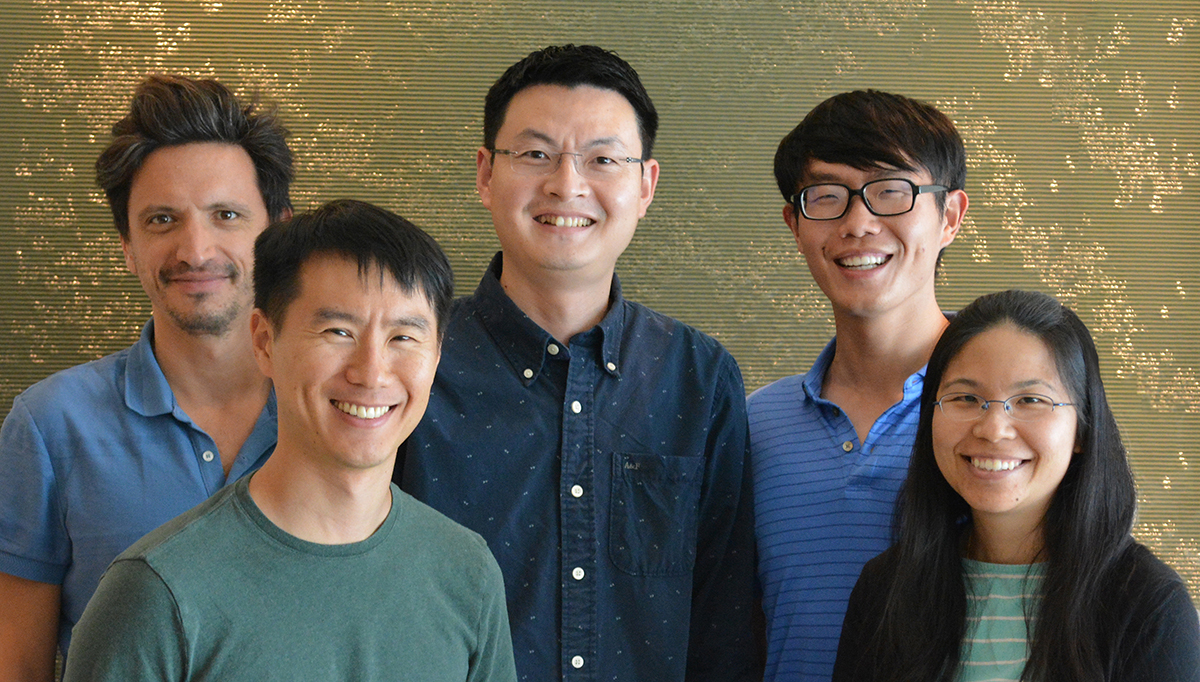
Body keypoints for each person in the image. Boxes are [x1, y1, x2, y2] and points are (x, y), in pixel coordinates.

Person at [398, 45, 760, 680]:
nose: (567, 184)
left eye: (603, 160)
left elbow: (723, 626)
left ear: (645, 185)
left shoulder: (699, 378)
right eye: (535, 154)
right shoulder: (408, 360)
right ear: (485, 174)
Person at [63, 199, 517, 681]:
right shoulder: (157, 591)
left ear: (437, 353)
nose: (371, 372)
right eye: (337, 330)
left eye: (404, 337)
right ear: (263, 340)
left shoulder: (467, 573)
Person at [0, 74, 292, 678]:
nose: (195, 249)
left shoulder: (347, 412)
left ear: (279, 233)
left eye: (227, 214)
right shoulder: (50, 426)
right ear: (128, 247)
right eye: (162, 220)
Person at [833, 289, 1200, 681]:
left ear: (1082, 430)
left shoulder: (1146, 605)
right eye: (965, 398)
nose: (993, 429)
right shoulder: (886, 590)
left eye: (1030, 400)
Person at [749, 89, 970, 681]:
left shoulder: (1001, 417)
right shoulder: (752, 425)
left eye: (891, 192)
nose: (858, 223)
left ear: (949, 216)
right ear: (796, 225)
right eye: (827, 196)